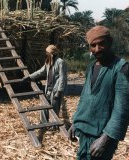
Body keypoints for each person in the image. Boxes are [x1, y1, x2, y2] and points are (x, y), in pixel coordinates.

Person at [68, 25, 129, 160]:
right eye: (93, 45)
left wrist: (105, 139)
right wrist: (75, 122)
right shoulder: (91, 67)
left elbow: (122, 109)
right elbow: (85, 97)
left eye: (101, 44)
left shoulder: (121, 69)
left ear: (110, 42)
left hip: (102, 136)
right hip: (84, 132)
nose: (97, 49)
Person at [23, 44, 67, 141]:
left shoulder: (60, 62)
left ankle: (54, 126)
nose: (46, 54)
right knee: (44, 106)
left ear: (53, 53)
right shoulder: (48, 61)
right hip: (48, 89)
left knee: (54, 108)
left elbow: (62, 77)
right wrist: (30, 77)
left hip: (56, 90)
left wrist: (59, 91)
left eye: (48, 53)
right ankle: (44, 124)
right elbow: (41, 71)